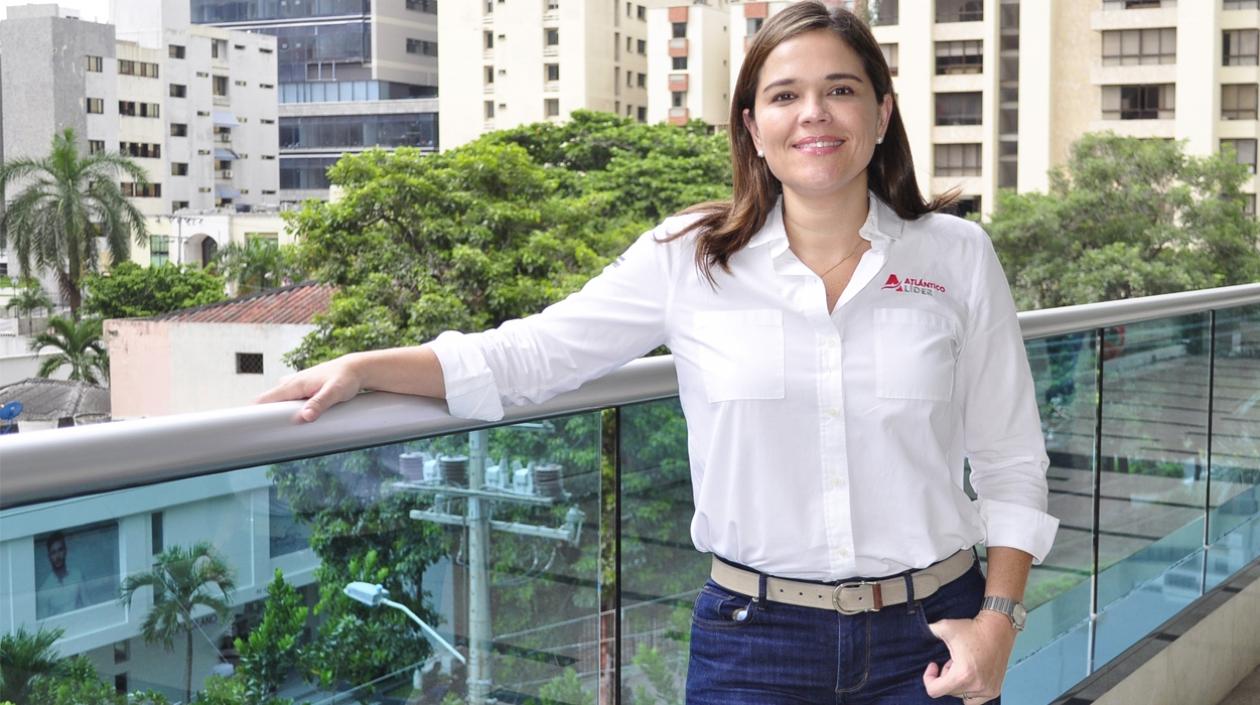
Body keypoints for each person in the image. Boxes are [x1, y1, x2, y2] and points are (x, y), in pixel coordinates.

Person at [258, 4, 1058, 703]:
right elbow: (532, 355)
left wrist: (999, 620)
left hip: (931, 635)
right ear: (752, 125)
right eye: (784, 95)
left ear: (881, 113)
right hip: (755, 644)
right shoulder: (689, 259)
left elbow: (1010, 457)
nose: (813, 113)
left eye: (840, 90)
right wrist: (366, 366)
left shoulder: (955, 255)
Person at [37, 531, 86, 617]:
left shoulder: (77, 575)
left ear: (65, 551)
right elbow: (43, 625)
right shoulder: (44, 591)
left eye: (60, 550)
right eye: (53, 552)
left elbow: (87, 604)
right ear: (49, 556)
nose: (57, 556)